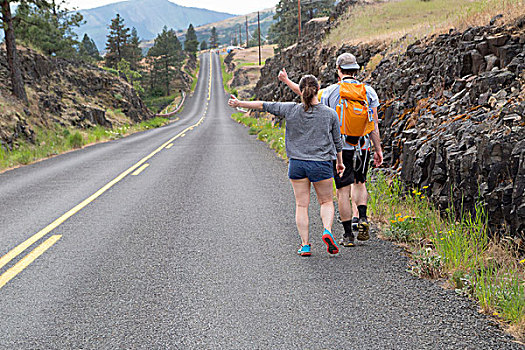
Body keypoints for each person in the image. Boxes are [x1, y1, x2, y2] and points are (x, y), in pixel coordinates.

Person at [228, 75, 345, 256]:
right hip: (321, 164)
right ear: (318, 88)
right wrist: (339, 162)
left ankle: (305, 245)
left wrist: (239, 103)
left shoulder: (290, 109)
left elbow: (263, 105)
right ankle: (327, 231)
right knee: (326, 201)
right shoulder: (330, 113)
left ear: (301, 90)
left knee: (301, 205)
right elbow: (338, 142)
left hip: (297, 164)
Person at [278, 53, 383, 247]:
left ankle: (347, 236)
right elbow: (374, 124)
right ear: (356, 70)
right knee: (360, 183)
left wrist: (286, 81)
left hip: (341, 148)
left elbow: (308, 98)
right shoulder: (369, 92)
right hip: (362, 146)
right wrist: (378, 149)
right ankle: (361, 217)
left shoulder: (330, 92)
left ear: (339, 70)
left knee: (342, 190)